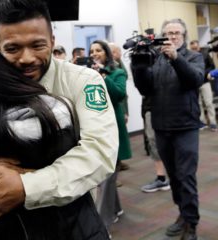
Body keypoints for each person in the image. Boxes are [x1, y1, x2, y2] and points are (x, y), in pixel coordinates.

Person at [0, 0, 118, 238]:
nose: (26, 58)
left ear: (52, 40)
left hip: (72, 219)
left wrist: (26, 187)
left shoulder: (82, 81)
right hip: (8, 224)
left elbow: (99, 152)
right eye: (13, 48)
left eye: (37, 45)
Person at [132, 18, 204, 240]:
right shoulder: (156, 59)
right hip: (162, 126)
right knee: (173, 176)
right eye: (168, 33)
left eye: (176, 33)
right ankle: (182, 213)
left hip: (186, 127)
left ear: (183, 35)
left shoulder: (194, 56)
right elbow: (144, 88)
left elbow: (195, 79)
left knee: (186, 177)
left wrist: (176, 58)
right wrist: (138, 65)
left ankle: (191, 223)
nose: (172, 37)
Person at [89, 40, 131, 234]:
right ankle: (116, 209)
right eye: (92, 51)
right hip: (96, 129)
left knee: (105, 177)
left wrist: (103, 75)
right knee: (108, 174)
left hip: (112, 130)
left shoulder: (117, 73)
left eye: (98, 50)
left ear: (106, 53)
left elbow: (119, 94)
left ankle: (102, 225)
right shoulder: (88, 73)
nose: (94, 53)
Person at [140, 96, 171, 193]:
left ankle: (177, 177)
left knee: (173, 140)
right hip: (151, 107)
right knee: (153, 142)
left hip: (171, 106)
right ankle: (161, 178)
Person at [109, 42, 130, 172]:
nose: (120, 54)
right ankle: (113, 169)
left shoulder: (119, 67)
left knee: (119, 137)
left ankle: (119, 162)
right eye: (117, 52)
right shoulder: (105, 68)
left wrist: (125, 111)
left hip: (120, 103)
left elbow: (125, 77)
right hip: (111, 107)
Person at [189, 40, 217, 131]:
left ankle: (213, 123)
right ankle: (202, 122)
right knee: (198, 104)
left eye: (195, 48)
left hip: (205, 82)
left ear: (199, 47)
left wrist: (205, 73)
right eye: (192, 49)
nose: (194, 50)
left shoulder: (205, 54)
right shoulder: (189, 56)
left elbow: (212, 66)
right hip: (194, 84)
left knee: (209, 103)